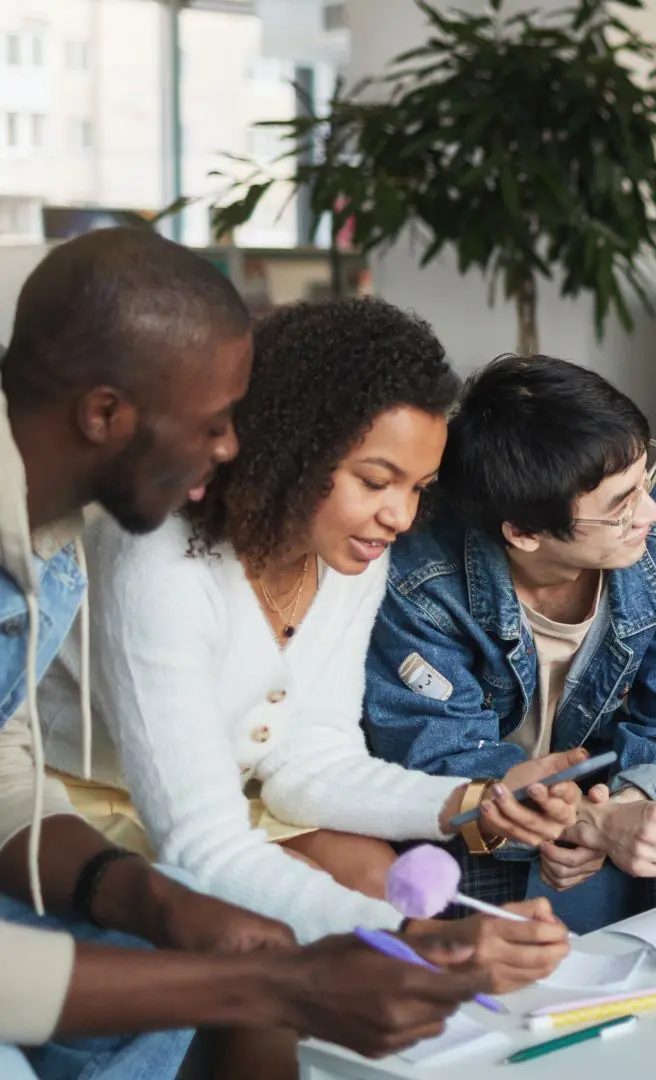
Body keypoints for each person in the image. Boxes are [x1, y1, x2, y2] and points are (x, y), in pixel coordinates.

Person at [0, 229, 494, 1080]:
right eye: (215, 422)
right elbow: (196, 841)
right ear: (105, 414)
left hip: (97, 845)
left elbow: (4, 772)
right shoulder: (138, 551)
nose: (231, 446)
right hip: (107, 824)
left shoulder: (48, 543)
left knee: (262, 931)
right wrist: (273, 973)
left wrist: (151, 902)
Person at [38, 298, 575, 986]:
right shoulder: (154, 557)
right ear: (289, 446)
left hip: (226, 798)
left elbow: (310, 760)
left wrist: (482, 800)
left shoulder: (350, 553)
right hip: (79, 809)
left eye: (419, 489)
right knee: (296, 924)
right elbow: (199, 840)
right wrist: (416, 940)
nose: (401, 517)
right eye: (376, 481)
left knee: (372, 873)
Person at [365, 354, 656, 934]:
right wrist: (575, 825)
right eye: (620, 505)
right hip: (485, 797)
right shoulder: (419, 579)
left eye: (645, 478)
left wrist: (625, 805)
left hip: (608, 785)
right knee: (462, 854)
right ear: (523, 532)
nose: (650, 511)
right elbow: (439, 761)